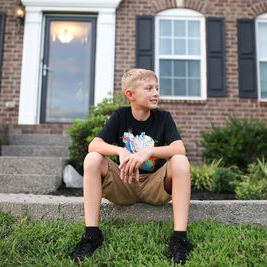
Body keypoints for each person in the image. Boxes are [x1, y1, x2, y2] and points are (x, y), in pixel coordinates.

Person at [70, 68, 192, 264]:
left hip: (155, 186)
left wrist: (149, 151)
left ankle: (180, 240)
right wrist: (120, 151)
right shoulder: (121, 116)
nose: (156, 93)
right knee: (92, 158)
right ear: (130, 95)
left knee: (179, 160)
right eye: (149, 88)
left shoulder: (164, 118)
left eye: (157, 88)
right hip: (124, 183)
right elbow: (94, 145)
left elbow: (179, 148)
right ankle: (91, 235)